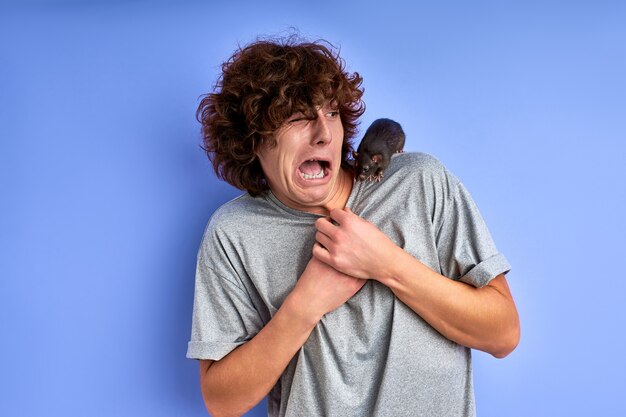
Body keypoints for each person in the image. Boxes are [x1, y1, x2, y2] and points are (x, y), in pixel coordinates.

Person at [187, 36, 520, 417]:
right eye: (296, 118)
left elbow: (503, 334)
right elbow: (221, 401)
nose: (323, 133)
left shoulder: (419, 181)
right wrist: (305, 304)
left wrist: (387, 264)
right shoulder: (233, 233)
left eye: (331, 113)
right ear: (253, 142)